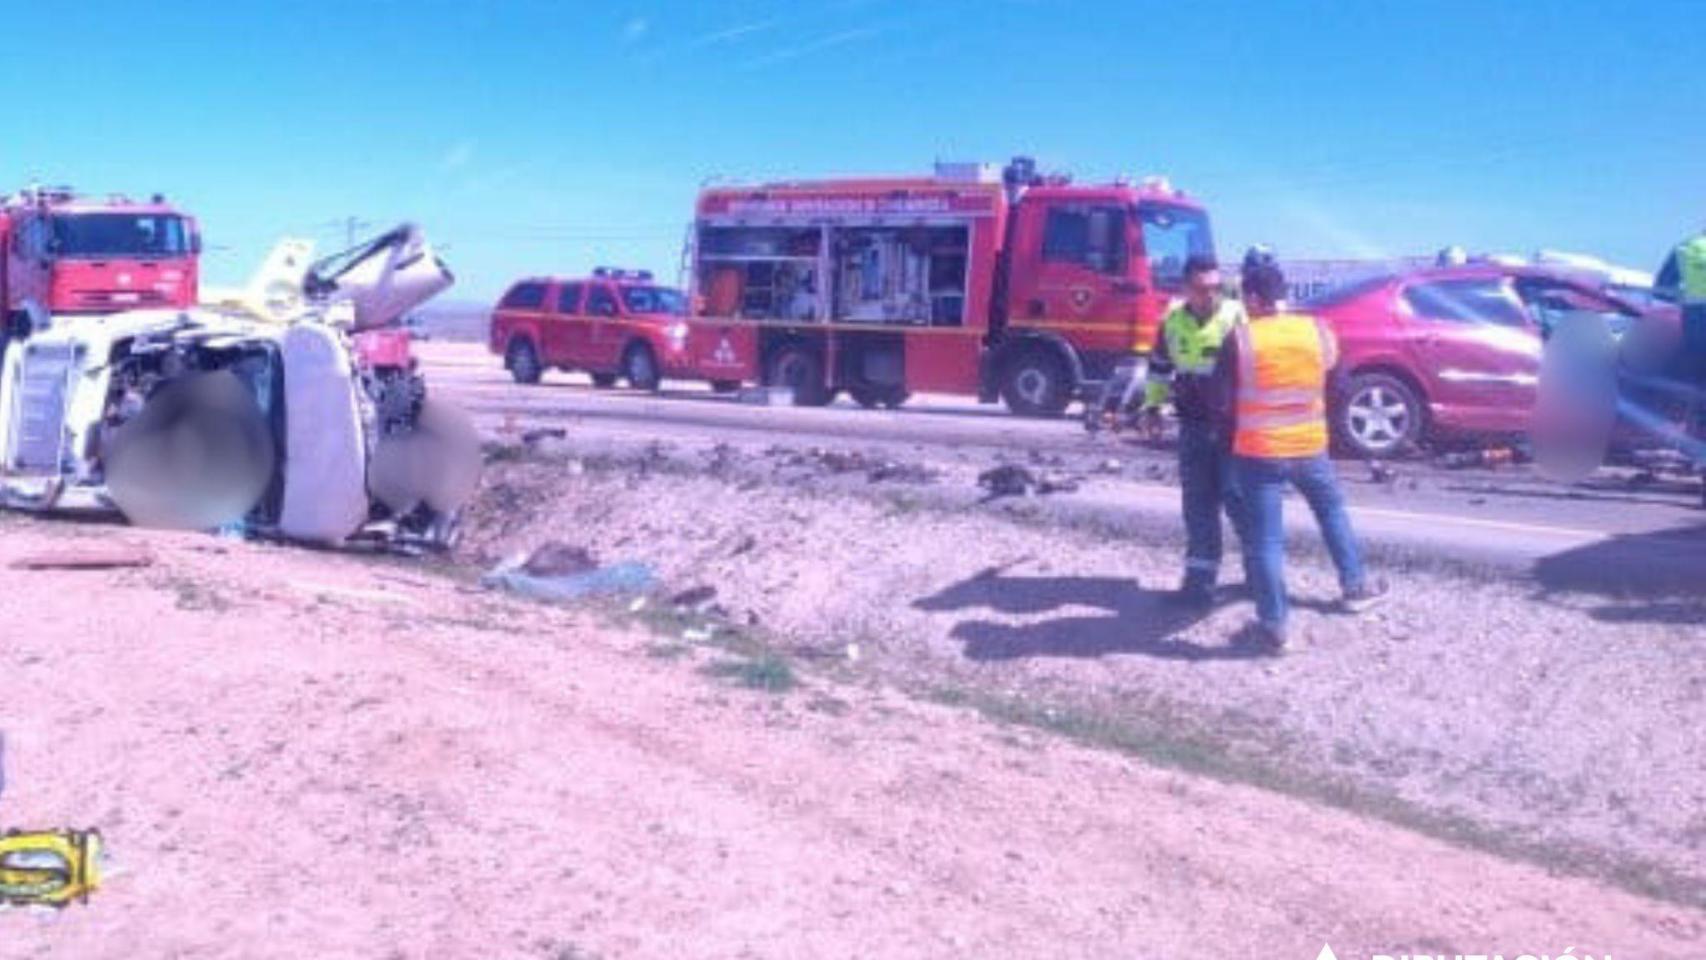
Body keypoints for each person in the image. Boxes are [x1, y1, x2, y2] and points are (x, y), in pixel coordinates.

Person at [1215, 249, 1385, 649]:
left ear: (1253, 299)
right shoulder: (1317, 332)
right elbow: (1342, 387)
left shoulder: (1240, 339)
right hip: (1310, 447)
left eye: (1245, 298)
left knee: (1265, 540)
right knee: (1331, 513)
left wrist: (1228, 445)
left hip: (1258, 453)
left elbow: (1220, 404)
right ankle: (1355, 586)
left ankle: (1274, 625)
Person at [1140, 254, 1249, 607]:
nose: (1211, 295)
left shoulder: (1236, 317)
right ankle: (1199, 585)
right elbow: (1158, 368)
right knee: (1198, 506)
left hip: (1234, 430)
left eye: (1216, 287)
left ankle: (1259, 576)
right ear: (1186, 288)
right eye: (1203, 289)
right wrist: (1152, 408)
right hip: (1193, 428)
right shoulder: (1171, 321)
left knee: (1239, 501)